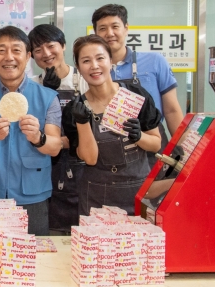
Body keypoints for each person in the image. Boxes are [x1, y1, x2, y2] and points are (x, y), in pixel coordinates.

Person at [0, 26, 63, 236]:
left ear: (28, 56)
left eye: (16, 50)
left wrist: (38, 138)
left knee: (35, 259)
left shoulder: (48, 98)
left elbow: (55, 146)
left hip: (33, 194)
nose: (8, 57)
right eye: (1, 51)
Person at [63, 35, 162, 216]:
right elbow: (90, 159)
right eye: (86, 61)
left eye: (100, 58)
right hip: (96, 197)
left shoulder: (136, 95)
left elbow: (156, 144)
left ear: (110, 61)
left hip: (138, 192)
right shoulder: (74, 109)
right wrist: (82, 122)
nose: (94, 66)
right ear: (78, 67)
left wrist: (139, 136)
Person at [91, 4, 184, 167]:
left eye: (115, 26)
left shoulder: (155, 62)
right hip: (111, 152)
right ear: (96, 33)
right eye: (103, 28)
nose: (110, 33)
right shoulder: (94, 71)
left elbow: (171, 110)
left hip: (153, 143)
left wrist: (182, 147)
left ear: (126, 28)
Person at [28, 24, 89, 234]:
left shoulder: (83, 80)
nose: (45, 54)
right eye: (37, 50)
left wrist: (63, 142)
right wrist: (45, 94)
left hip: (80, 162)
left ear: (62, 46)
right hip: (46, 163)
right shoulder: (32, 85)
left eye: (50, 46)